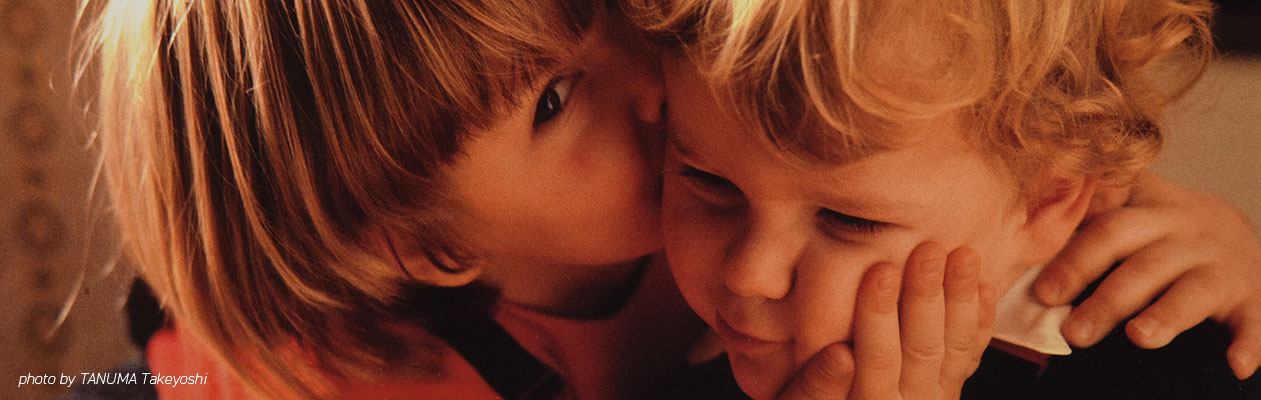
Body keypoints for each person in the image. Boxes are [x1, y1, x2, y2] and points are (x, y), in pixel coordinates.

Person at [77, 0, 1261, 398]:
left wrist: (1189, 236)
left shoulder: (711, 180)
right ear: (432, 244)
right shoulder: (399, 376)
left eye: (599, 18)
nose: (651, 80)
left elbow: (967, 161)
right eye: (554, 103)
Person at [630, 0, 1261, 398]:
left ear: (1048, 203)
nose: (751, 274)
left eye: (848, 219)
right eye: (710, 182)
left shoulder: (1178, 372)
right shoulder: (668, 341)